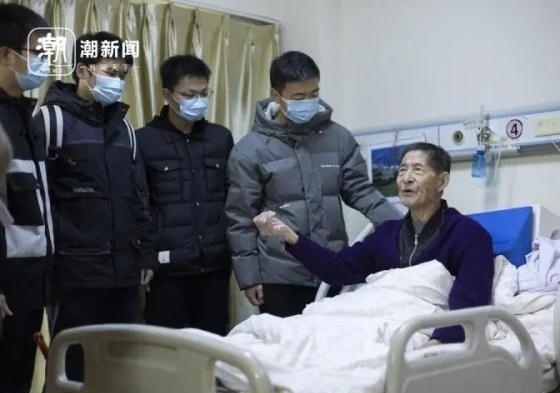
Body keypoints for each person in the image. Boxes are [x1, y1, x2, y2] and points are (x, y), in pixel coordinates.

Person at [253, 142, 494, 344]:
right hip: (375, 325)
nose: (406, 178)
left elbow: (469, 306)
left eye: (417, 170)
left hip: (416, 333)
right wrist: (291, 237)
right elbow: (338, 269)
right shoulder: (386, 234)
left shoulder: (468, 236)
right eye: (402, 170)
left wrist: (436, 344)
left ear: (442, 181)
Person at [226, 51, 402, 317]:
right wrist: (249, 276)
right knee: (286, 342)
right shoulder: (250, 150)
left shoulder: (338, 138)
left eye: (314, 94)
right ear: (277, 95)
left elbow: (362, 191)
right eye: (298, 97)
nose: (308, 103)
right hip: (280, 275)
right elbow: (240, 218)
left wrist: (404, 229)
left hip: (332, 267)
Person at [31, 31, 156, 380]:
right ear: (83, 71)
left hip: (124, 275)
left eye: (123, 74)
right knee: (73, 372)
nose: (118, 81)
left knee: (121, 371)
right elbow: (37, 199)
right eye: (111, 72)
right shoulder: (51, 121)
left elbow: (139, 196)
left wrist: (145, 254)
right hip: (74, 274)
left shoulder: (125, 129)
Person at [136, 55, 233, 334]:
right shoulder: (143, 140)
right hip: (167, 270)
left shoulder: (220, 138)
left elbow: (233, 199)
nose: (198, 101)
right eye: (189, 95)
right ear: (167, 95)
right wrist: (146, 256)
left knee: (214, 347)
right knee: (166, 349)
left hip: (214, 266)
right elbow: (140, 204)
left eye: (204, 94)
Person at [0, 5, 53, 393]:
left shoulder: (26, 116)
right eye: (37, 54)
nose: (44, 64)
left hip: (31, 280)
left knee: (18, 383)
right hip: (5, 281)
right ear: (6, 54)